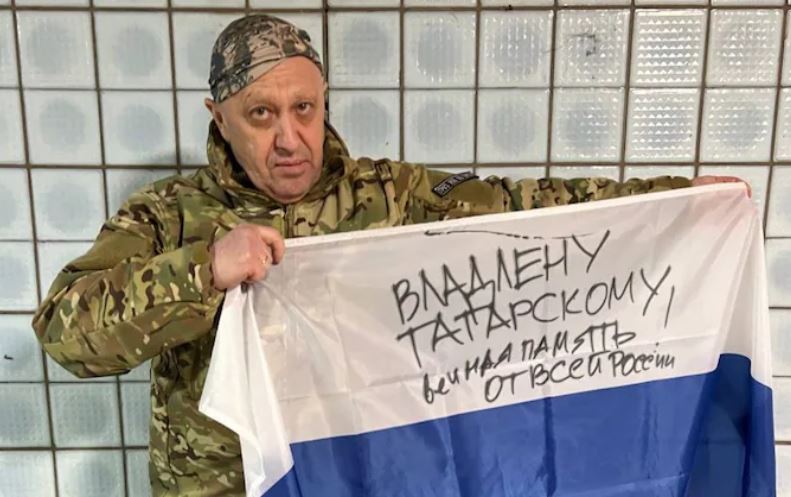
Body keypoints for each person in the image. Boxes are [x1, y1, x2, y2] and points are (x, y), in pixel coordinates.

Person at [32, 13, 745, 497]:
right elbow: (67, 333)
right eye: (261, 114)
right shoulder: (166, 215)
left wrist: (676, 201)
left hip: (357, 477)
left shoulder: (389, 195)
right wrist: (205, 270)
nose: (290, 138)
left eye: (305, 109)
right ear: (217, 116)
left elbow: (526, 207)